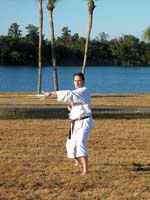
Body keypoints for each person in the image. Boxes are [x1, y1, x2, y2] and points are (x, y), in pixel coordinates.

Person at [44, 72, 93, 175]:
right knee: (70, 145)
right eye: (75, 81)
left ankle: (85, 170)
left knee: (80, 144)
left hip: (85, 122)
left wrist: (52, 93)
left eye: (79, 80)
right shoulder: (77, 93)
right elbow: (76, 104)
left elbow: (70, 94)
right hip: (75, 122)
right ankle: (77, 162)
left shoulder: (84, 91)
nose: (77, 82)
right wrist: (71, 109)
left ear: (83, 81)